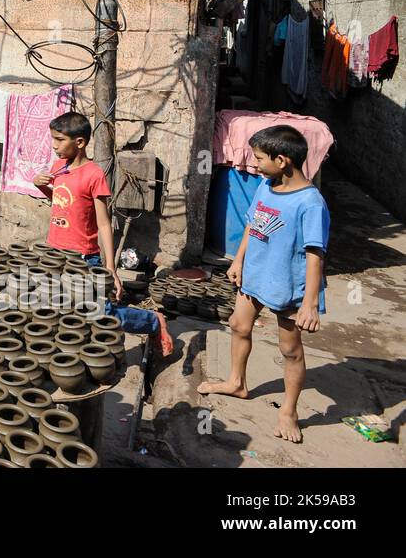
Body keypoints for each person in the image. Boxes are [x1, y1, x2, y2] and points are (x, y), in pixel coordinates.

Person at [198, 125, 329, 444]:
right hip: (255, 274)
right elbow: (251, 224)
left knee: (290, 350)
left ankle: (289, 412)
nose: (254, 164)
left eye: (259, 158)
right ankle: (236, 382)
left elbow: (315, 255)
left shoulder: (311, 203)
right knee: (238, 325)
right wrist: (239, 261)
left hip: (287, 286)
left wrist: (310, 304)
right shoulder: (265, 185)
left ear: (282, 160)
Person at [34, 111, 174, 354]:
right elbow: (62, 202)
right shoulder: (59, 168)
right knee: (59, 306)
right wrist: (41, 187)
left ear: (80, 142)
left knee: (100, 312)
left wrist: (111, 267)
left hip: (83, 256)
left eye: (59, 140)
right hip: (56, 252)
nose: (53, 145)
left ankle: (152, 321)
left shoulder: (93, 174)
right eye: (53, 139)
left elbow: (104, 224)